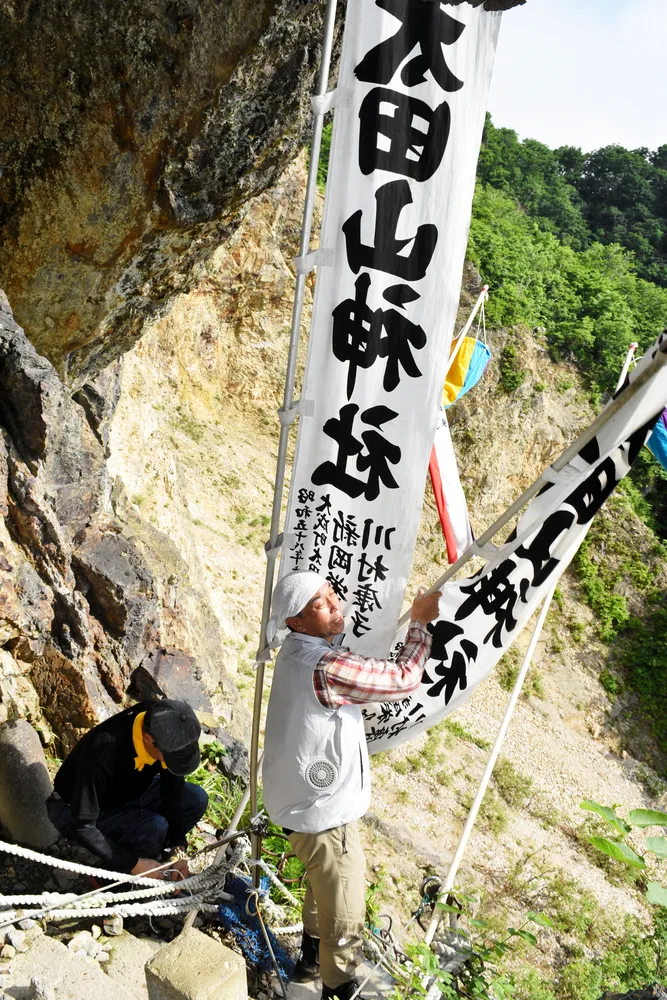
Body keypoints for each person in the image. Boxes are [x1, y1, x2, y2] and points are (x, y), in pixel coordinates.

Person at [262, 571, 441, 1000]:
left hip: (297, 804)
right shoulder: (326, 665)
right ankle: (336, 988)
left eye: (331, 594)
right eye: (321, 605)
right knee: (344, 907)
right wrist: (420, 623)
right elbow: (403, 678)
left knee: (321, 884)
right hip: (325, 813)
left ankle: (307, 963)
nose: (336, 604)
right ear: (296, 623)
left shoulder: (297, 653)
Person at [47, 698, 208, 881]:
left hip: (129, 789)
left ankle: (156, 859)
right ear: (148, 739)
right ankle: (110, 879)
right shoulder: (104, 750)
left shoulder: (163, 723)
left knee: (197, 799)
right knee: (155, 827)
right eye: (171, 758)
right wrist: (134, 864)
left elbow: (173, 790)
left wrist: (179, 849)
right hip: (73, 808)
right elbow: (82, 826)